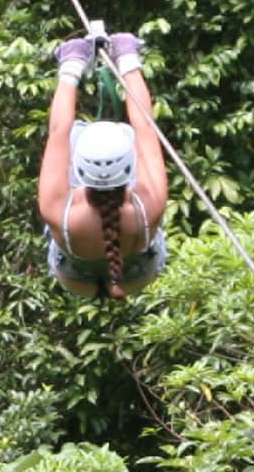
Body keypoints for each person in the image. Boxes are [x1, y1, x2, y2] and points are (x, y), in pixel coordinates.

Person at [38, 30, 169, 298]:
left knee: (74, 133)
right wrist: (127, 59)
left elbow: (58, 131)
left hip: (76, 278)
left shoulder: (58, 210)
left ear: (80, 171)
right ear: (127, 170)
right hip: (136, 274)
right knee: (130, 135)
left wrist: (71, 66)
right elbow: (145, 127)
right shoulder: (149, 204)